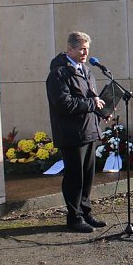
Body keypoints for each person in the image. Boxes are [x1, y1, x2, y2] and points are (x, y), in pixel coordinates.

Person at [46, 31, 109, 233]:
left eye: (87, 49)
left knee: (88, 175)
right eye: (81, 48)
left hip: (89, 129)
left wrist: (101, 111)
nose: (85, 52)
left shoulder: (86, 69)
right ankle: (74, 218)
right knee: (75, 177)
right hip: (71, 133)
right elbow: (64, 104)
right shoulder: (58, 74)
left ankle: (86, 212)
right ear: (70, 48)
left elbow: (90, 98)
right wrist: (92, 103)